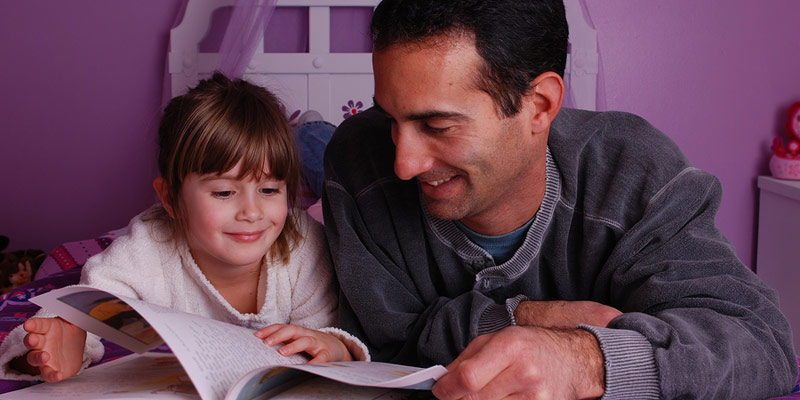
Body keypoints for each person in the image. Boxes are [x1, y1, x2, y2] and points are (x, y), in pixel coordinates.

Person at [321, 0, 798, 398]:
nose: (404, 163)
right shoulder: (360, 162)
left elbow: (762, 343)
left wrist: (583, 360)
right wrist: (526, 317)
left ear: (540, 106)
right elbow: (378, 345)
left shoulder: (635, 173)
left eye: (437, 126)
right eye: (389, 118)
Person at [0, 72, 367, 383]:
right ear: (172, 200)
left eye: (270, 190)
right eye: (224, 192)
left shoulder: (303, 246)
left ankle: (314, 131)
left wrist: (332, 345)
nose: (253, 212)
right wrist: (56, 343)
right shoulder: (150, 248)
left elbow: (329, 333)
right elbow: (85, 303)